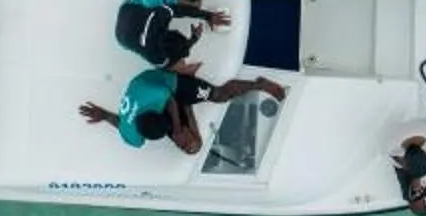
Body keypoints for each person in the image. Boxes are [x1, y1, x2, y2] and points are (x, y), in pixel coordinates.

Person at [79, 66, 288, 154]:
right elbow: (121, 123)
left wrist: (178, 126)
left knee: (218, 96)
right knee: (193, 148)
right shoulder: (131, 134)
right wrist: (104, 115)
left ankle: (258, 84)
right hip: (160, 106)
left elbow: (170, 99)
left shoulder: (152, 94)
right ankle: (188, 114)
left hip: (166, 85)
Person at [113, 0, 230, 71]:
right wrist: (193, 40)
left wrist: (208, 16)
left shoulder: (159, 16)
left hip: (132, 5)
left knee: (194, 5)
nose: (185, 58)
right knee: (177, 65)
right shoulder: (157, 59)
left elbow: (180, 10)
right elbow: (174, 63)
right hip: (122, 38)